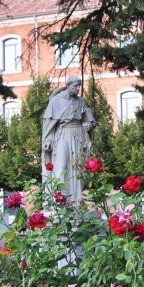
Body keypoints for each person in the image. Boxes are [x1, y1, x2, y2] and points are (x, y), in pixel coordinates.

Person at [42, 76, 96, 206]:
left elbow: (89, 120)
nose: (78, 89)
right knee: (61, 166)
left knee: (77, 168)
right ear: (68, 85)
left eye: (79, 86)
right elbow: (49, 123)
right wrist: (48, 139)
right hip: (62, 134)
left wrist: (88, 126)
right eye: (75, 86)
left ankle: (76, 201)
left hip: (78, 135)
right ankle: (59, 201)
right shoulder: (56, 101)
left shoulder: (81, 101)